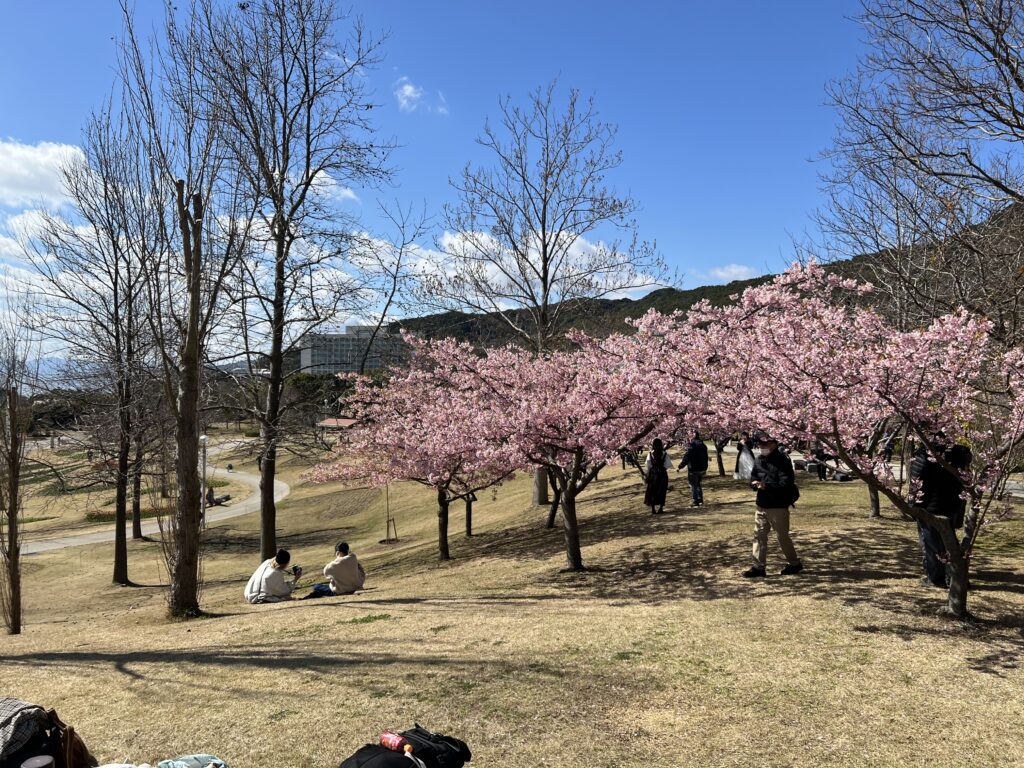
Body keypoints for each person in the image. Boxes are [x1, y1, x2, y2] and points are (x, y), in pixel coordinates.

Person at [909, 435, 972, 588]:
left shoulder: (925, 453)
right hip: (952, 504)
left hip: (929, 505)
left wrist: (912, 505)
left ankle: (936, 578)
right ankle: (954, 576)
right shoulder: (959, 453)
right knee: (949, 542)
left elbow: (916, 482)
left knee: (931, 543)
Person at [742, 434, 803, 577]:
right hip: (762, 504)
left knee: (782, 537)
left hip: (778, 506)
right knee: (759, 536)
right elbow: (754, 476)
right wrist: (754, 484)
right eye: (760, 444)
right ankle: (758, 567)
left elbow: (786, 482)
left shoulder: (782, 460)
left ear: (774, 444)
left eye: (765, 444)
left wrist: (766, 486)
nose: (761, 447)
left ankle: (794, 564)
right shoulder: (759, 460)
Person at [677, 431, 710, 507]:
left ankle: (695, 501)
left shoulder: (692, 445)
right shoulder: (703, 445)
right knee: (698, 483)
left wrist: (680, 466)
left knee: (693, 485)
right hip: (702, 468)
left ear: (692, 436)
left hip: (693, 468)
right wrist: (705, 467)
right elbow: (706, 457)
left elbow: (687, 457)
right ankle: (700, 499)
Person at [644, 438, 673, 514]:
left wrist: (647, 475)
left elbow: (648, 466)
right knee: (662, 490)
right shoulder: (664, 454)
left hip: (653, 474)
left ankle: (653, 508)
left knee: (652, 490)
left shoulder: (650, 454)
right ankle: (660, 508)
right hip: (662, 474)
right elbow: (667, 465)